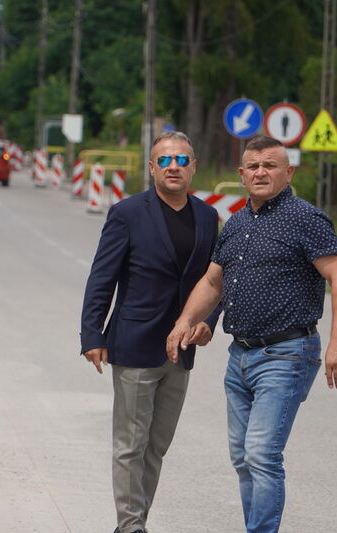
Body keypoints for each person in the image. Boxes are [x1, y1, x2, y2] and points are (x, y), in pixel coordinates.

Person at [166, 135, 337, 533]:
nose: (261, 172)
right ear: (241, 174)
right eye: (253, 166)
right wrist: (185, 321)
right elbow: (213, 283)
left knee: (262, 454)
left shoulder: (306, 218)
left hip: (287, 352)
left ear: (289, 172)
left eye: (270, 165)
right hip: (240, 357)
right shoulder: (236, 222)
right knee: (242, 456)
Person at [80, 131, 222, 533]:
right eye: (164, 160)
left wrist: (207, 323)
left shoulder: (208, 216)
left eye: (182, 160)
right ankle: (130, 527)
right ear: (151, 167)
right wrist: (92, 334)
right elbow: (101, 277)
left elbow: (216, 280)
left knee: (156, 446)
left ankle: (136, 522)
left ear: (193, 166)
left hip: (181, 352)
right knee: (130, 445)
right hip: (135, 344)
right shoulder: (127, 213)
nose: (173, 166)